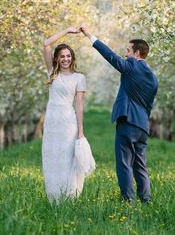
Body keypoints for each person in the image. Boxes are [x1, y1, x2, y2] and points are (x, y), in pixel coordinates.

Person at [80, 25, 158, 203]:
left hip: (128, 123)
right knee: (140, 165)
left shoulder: (132, 66)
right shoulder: (153, 77)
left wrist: (90, 36)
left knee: (124, 163)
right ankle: (146, 200)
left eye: (128, 50)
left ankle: (127, 201)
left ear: (137, 54)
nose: (125, 53)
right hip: (143, 126)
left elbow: (111, 57)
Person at [42, 27, 95, 203]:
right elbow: (46, 43)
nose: (65, 59)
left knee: (67, 160)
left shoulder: (79, 78)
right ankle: (54, 198)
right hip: (51, 123)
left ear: (72, 58)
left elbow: (79, 105)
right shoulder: (52, 73)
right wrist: (67, 31)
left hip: (68, 124)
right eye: (62, 56)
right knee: (52, 160)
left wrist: (80, 132)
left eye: (68, 56)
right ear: (57, 58)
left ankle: (69, 196)